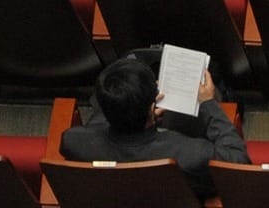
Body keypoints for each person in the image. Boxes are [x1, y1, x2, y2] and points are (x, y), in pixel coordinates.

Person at [59, 54, 246, 198]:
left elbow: (98, 126)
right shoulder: (191, 154)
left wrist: (131, 109)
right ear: (151, 107)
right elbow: (239, 161)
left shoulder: (74, 143)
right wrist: (208, 103)